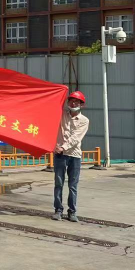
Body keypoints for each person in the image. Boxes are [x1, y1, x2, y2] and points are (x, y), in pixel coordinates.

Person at [53, 91, 90, 222]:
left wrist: (62, 147)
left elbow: (76, 138)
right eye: (71, 101)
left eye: (77, 101)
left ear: (81, 105)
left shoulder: (84, 121)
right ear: (68, 102)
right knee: (58, 183)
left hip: (74, 155)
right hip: (60, 155)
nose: (73, 103)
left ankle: (72, 211)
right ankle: (58, 210)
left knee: (72, 185)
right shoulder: (61, 114)